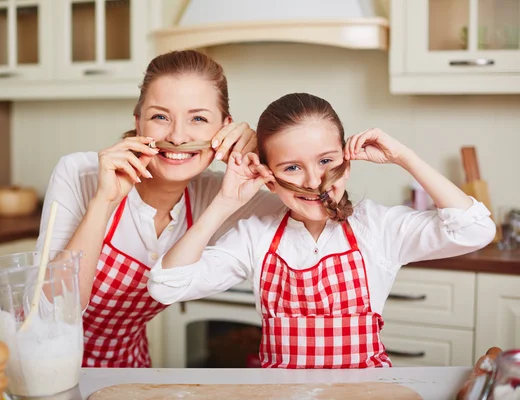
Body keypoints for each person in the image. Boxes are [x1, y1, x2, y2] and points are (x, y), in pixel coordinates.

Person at [148, 93, 496, 369]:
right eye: (292, 167)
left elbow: (476, 231)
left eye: (326, 161)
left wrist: (405, 157)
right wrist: (226, 201)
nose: (314, 181)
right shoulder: (257, 235)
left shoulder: (377, 228)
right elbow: (166, 286)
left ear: (346, 161)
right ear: (268, 176)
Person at [36, 50, 284, 368]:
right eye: (160, 117)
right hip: (44, 363)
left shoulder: (220, 192)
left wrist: (265, 155)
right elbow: (53, 313)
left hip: (128, 365)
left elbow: (314, 215)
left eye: (198, 118)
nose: (178, 137)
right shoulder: (81, 173)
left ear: (225, 129)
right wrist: (104, 202)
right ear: (138, 122)